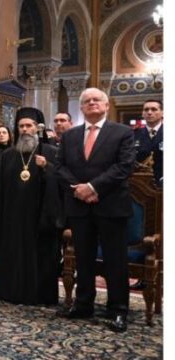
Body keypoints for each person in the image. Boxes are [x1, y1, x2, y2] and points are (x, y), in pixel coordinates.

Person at [55, 88, 136, 333]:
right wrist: (79, 189)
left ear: (106, 105)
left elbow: (124, 166)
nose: (91, 103)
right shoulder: (70, 136)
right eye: (86, 101)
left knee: (115, 260)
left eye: (96, 99)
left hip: (111, 205)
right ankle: (83, 304)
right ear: (81, 108)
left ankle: (118, 309)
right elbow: (59, 167)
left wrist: (92, 187)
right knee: (84, 258)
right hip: (79, 205)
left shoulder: (122, 132)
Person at [0, 107, 61, 306]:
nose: (25, 129)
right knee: (12, 253)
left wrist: (47, 168)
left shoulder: (51, 153)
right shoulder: (9, 155)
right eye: (21, 126)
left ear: (37, 128)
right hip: (13, 216)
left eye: (29, 125)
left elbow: (61, 181)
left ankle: (40, 295)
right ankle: (9, 292)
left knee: (39, 255)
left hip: (39, 216)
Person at [135, 99, 163, 186]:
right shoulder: (133, 134)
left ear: (162, 113)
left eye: (154, 109)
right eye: (146, 110)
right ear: (142, 113)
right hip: (139, 183)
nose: (149, 112)